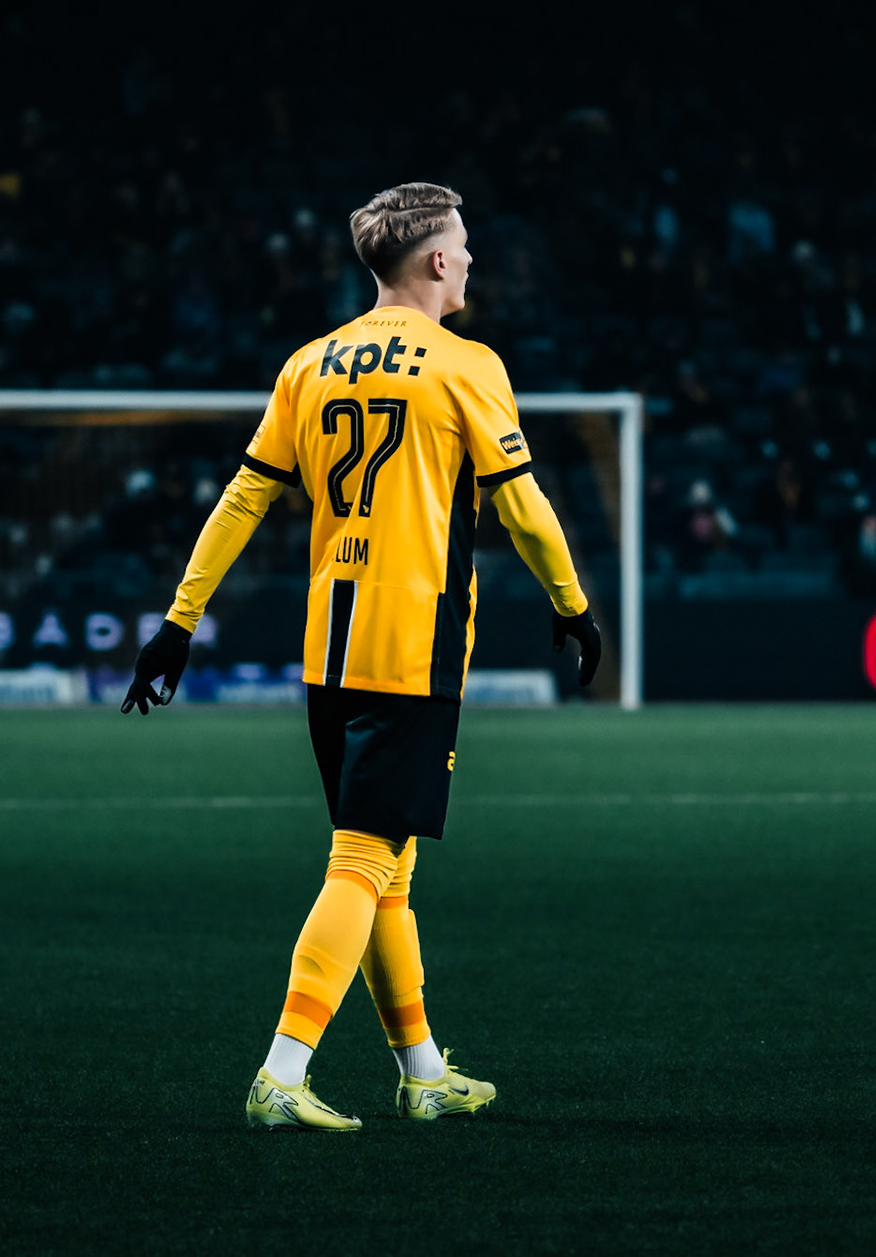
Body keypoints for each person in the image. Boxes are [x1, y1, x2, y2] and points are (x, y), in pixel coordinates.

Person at [122, 183, 601, 1131]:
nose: (469, 260)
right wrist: (573, 605)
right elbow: (523, 506)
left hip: (328, 650)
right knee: (362, 860)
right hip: (412, 644)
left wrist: (179, 620)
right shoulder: (467, 365)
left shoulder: (310, 363)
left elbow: (243, 500)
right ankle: (282, 1071)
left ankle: (422, 1071)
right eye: (461, 246)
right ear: (431, 260)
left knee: (388, 869)